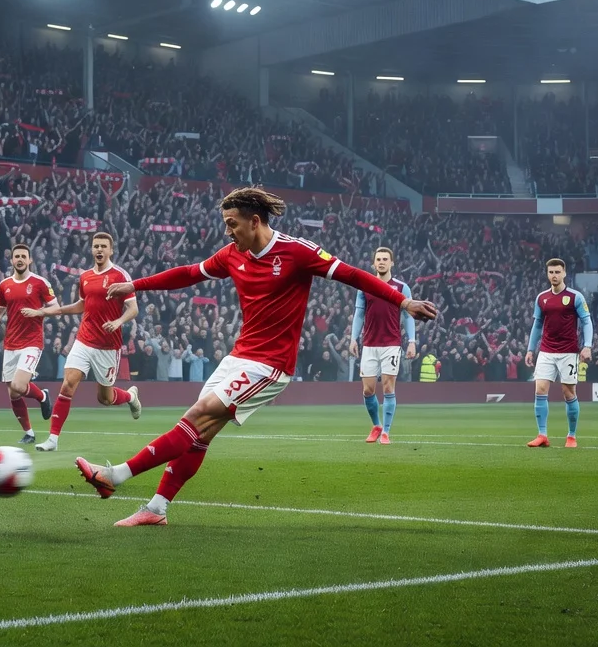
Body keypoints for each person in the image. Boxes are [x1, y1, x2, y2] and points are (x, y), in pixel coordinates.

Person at [73, 187, 437, 526]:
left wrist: (403, 301)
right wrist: (136, 284)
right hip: (239, 357)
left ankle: (113, 475)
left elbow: (354, 275)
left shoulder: (297, 252)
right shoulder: (232, 255)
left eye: (232, 225)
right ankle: (156, 509)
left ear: (255, 222)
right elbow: (187, 274)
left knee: (196, 416)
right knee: (200, 432)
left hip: (271, 365)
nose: (228, 233)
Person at [25, 232, 141, 452]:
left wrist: (118, 322)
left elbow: (133, 309)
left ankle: (130, 396)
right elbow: (81, 305)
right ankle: (53, 439)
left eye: (103, 246)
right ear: (92, 249)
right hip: (84, 339)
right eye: (95, 246)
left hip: (108, 346)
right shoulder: (85, 276)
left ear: (111, 250)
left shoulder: (120, 275)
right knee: (68, 383)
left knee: (105, 398)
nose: (99, 250)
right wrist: (47, 312)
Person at [0, 243, 56, 443]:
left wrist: (39, 312)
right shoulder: (4, 285)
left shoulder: (40, 282)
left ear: (30, 260)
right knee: (13, 393)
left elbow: (56, 307)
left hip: (32, 342)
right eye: (17, 256)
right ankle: (29, 433)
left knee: (18, 384)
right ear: (12, 259)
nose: (20, 259)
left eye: (24, 256)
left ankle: (42, 396)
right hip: (11, 343)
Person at [348, 247, 416, 446]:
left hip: (391, 345)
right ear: (373, 263)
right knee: (368, 390)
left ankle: (386, 432)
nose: (382, 262)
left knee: (388, 387)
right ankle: (376, 425)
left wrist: (412, 341)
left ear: (392, 263)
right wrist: (353, 339)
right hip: (369, 344)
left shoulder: (402, 287)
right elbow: (359, 314)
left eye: (385, 259)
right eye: (378, 259)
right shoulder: (365, 286)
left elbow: (407, 315)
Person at [525, 258, 592, 448]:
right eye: (551, 272)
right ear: (547, 274)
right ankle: (542, 435)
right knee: (540, 390)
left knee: (568, 392)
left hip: (568, 351)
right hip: (546, 350)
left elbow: (587, 322)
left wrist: (587, 345)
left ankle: (571, 436)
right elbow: (537, 325)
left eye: (557, 272)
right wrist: (531, 349)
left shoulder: (575, 297)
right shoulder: (542, 298)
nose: (554, 275)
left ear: (564, 273)